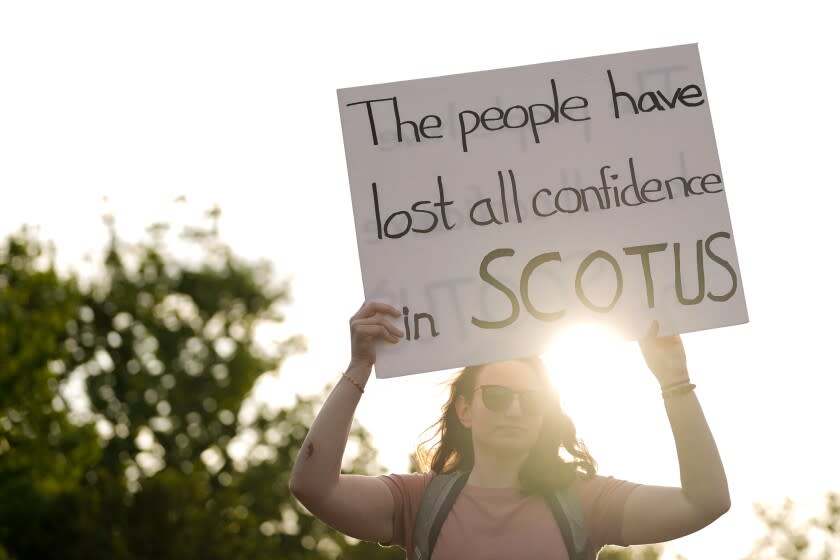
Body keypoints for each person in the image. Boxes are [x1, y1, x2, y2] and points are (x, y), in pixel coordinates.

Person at [290, 301, 730, 559]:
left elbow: (705, 502)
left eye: (531, 400)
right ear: (466, 410)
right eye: (498, 396)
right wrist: (360, 365)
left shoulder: (585, 502)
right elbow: (312, 486)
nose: (515, 409)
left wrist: (674, 379)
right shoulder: (419, 501)